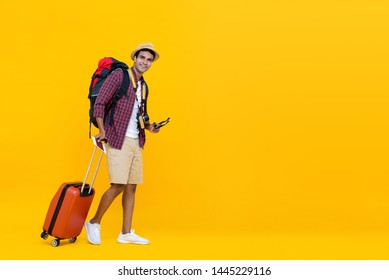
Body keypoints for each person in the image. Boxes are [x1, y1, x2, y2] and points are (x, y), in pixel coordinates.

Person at [84, 43, 160, 245]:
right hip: (117, 137)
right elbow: (100, 102)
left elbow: (140, 114)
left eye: (149, 59)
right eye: (142, 57)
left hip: (137, 139)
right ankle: (94, 222)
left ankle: (125, 233)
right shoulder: (120, 76)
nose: (145, 62)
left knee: (131, 187)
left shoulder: (143, 86)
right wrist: (102, 130)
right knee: (118, 185)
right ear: (135, 58)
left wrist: (150, 127)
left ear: (151, 63)